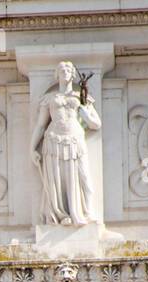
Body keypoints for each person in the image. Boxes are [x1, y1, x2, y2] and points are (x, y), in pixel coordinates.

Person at [30, 61, 101, 226]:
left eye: (68, 69)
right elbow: (41, 125)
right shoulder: (49, 99)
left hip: (75, 140)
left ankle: (86, 213)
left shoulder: (81, 97)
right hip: (53, 141)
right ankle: (61, 215)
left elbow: (96, 124)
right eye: (61, 69)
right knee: (57, 182)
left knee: (85, 181)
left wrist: (85, 113)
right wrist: (32, 148)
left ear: (73, 74)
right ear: (56, 74)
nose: (65, 71)